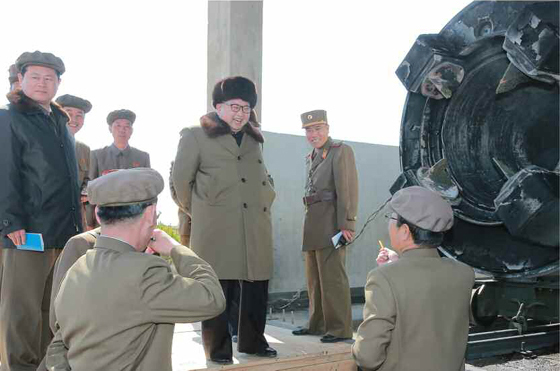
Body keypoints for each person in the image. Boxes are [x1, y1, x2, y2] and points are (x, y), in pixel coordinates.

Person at [45, 168, 226, 371]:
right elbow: (212, 297)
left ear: (97, 214)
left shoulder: (77, 268)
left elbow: (59, 339)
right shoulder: (146, 273)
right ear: (150, 214)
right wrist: (176, 249)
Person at [172, 76, 276, 364]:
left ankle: (253, 342)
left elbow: (261, 177)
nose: (240, 113)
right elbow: (180, 181)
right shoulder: (195, 135)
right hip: (216, 225)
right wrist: (201, 213)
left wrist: (268, 196)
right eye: (234, 106)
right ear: (218, 106)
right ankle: (218, 350)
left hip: (255, 222)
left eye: (245, 108)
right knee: (217, 288)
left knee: (256, 283)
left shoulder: (255, 138)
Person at [0, 51, 82, 371]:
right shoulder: (9, 118)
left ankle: (47, 366)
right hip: (26, 231)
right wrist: (10, 220)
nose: (42, 83)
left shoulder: (59, 122)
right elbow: (4, 172)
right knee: (21, 310)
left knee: (54, 308)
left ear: (58, 83)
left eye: (49, 78)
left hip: (62, 230)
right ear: (20, 80)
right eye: (34, 76)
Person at [351, 186, 475, 371]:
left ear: (405, 231)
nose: (389, 225)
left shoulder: (383, 278)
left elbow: (368, 357)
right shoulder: (464, 273)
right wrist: (396, 267)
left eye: (391, 218)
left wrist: (391, 275)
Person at [292, 109, 358, 343]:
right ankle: (317, 324)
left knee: (333, 278)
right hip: (314, 223)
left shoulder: (340, 151)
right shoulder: (314, 155)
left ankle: (339, 328)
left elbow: (347, 189)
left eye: (318, 128)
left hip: (332, 223)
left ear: (327, 128)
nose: (313, 134)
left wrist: (346, 224)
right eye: (309, 130)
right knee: (315, 278)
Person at [88, 109, 150, 228]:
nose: (122, 129)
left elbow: (148, 190)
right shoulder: (97, 155)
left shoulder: (142, 157)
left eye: (127, 126)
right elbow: (90, 190)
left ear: (131, 130)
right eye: (118, 125)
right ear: (110, 129)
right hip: (103, 219)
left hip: (133, 219)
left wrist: (147, 220)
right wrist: (89, 223)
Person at [55, 94, 93, 229]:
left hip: (76, 220)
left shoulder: (84, 149)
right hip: (48, 218)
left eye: (79, 115)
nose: (74, 119)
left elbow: (88, 179)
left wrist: (86, 191)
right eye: (68, 113)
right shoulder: (44, 143)